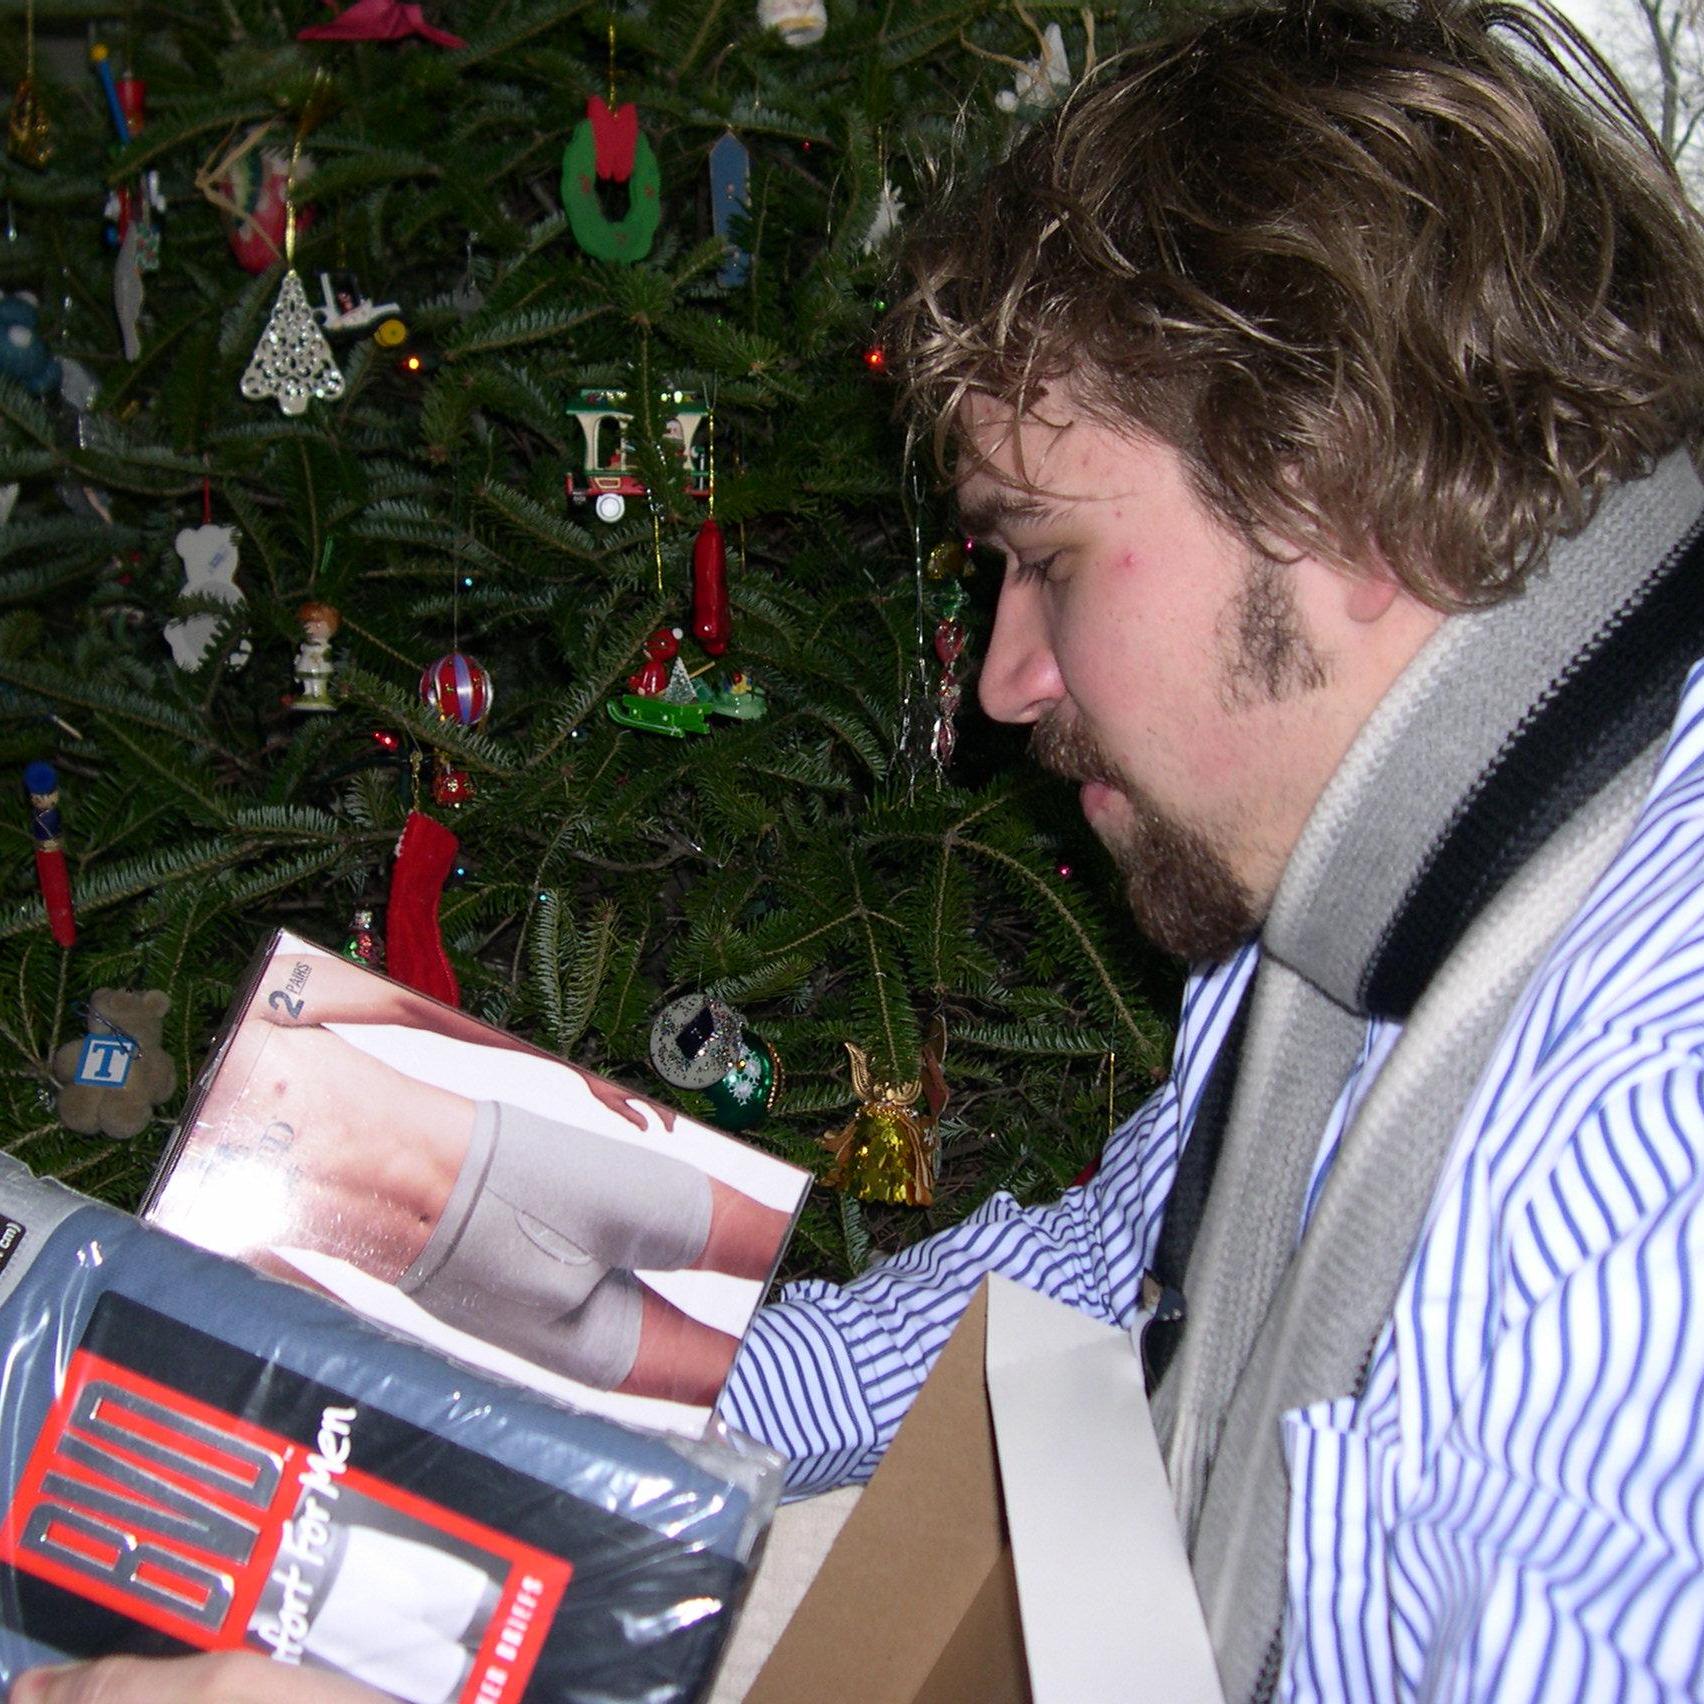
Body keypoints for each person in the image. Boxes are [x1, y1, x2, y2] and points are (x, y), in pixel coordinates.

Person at [27, 0, 1704, 1698]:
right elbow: (1126, 1262)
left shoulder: (1646, 1141)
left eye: (1046, 559)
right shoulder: (1367, 887)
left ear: (1336, 489)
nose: (1005, 681)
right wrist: (596, 1409)